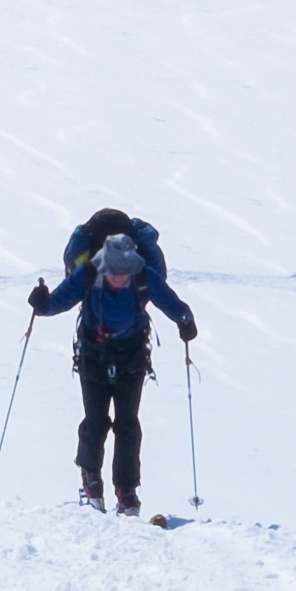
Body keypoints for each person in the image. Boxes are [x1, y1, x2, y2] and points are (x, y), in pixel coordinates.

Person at [29, 217, 195, 514]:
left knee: (127, 424)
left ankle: (126, 492)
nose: (120, 278)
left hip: (130, 355)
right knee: (95, 421)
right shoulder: (88, 273)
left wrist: (185, 320)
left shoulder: (142, 275)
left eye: (124, 274)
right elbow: (60, 300)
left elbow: (169, 300)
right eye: (115, 274)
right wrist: (41, 304)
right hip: (94, 354)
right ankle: (91, 481)